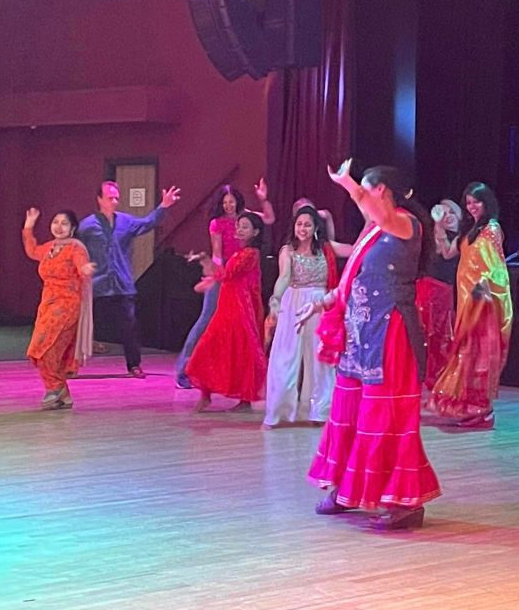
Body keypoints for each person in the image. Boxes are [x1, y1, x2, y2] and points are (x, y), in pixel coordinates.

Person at [303, 161, 441, 530]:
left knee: (385, 417)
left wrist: (348, 184)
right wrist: (325, 301)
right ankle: (349, 491)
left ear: (382, 191)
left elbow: (377, 213)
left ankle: (405, 503)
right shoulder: (374, 230)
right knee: (348, 411)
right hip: (361, 333)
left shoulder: (403, 224)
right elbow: (356, 276)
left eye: (367, 190)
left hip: (392, 332)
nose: (361, 198)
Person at [174, 181, 275, 389]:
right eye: (225, 202)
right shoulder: (217, 223)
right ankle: (184, 370)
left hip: (241, 275)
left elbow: (269, 219)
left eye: (232, 201)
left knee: (243, 323)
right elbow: (217, 253)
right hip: (225, 273)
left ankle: (237, 376)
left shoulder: (245, 217)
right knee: (206, 319)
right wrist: (217, 275)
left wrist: (263, 199)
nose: (229, 205)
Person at [428, 182, 513, 428]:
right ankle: (471, 408)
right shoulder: (470, 230)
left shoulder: (492, 229)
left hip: (483, 304)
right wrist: (438, 225)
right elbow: (446, 252)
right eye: (468, 203)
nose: (472, 207)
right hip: (467, 302)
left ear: (487, 203)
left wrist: (484, 287)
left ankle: (483, 410)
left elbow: (496, 267)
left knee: (480, 356)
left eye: (476, 201)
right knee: (466, 354)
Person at [79, 180, 181, 377]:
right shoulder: (87, 226)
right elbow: (76, 250)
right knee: (80, 324)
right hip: (96, 286)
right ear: (99, 199)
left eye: (117, 197)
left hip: (122, 285)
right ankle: (69, 363)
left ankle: (134, 364)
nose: (115, 201)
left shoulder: (125, 222)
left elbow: (147, 223)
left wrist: (164, 205)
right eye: (110, 197)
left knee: (130, 327)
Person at [263, 206, 340, 428]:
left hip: (319, 303)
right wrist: (276, 298)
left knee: (319, 358)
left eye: (307, 224)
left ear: (316, 227)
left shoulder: (326, 249)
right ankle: (277, 413)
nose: (302, 228)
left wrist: (368, 219)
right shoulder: (287, 251)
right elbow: (284, 276)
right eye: (299, 224)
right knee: (285, 357)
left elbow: (356, 249)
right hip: (293, 301)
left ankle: (319, 411)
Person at [185, 212, 267, 412]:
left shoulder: (250, 254)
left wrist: (206, 262)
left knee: (238, 352)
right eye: (239, 226)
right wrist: (210, 278)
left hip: (240, 310)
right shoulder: (240, 253)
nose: (239, 229)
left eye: (245, 227)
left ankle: (243, 399)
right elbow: (226, 277)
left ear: (255, 232)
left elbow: (227, 274)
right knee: (210, 347)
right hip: (228, 308)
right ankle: (206, 393)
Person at [21, 208, 95, 409]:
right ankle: (62, 393)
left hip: (67, 306)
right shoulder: (49, 248)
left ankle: (53, 390)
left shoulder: (75, 248)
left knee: (45, 348)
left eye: (64, 223)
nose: (59, 227)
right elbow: (32, 251)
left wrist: (85, 269)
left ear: (72, 229)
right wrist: (29, 225)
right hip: (47, 306)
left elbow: (81, 266)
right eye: (55, 222)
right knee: (44, 349)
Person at [417, 199, 462, 394]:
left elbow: (447, 255)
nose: (447, 216)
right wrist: (436, 224)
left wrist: (441, 227)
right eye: (444, 212)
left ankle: (440, 379)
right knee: (424, 332)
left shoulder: (460, 237)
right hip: (427, 288)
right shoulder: (430, 236)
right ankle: (423, 376)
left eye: (451, 212)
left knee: (441, 334)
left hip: (445, 290)